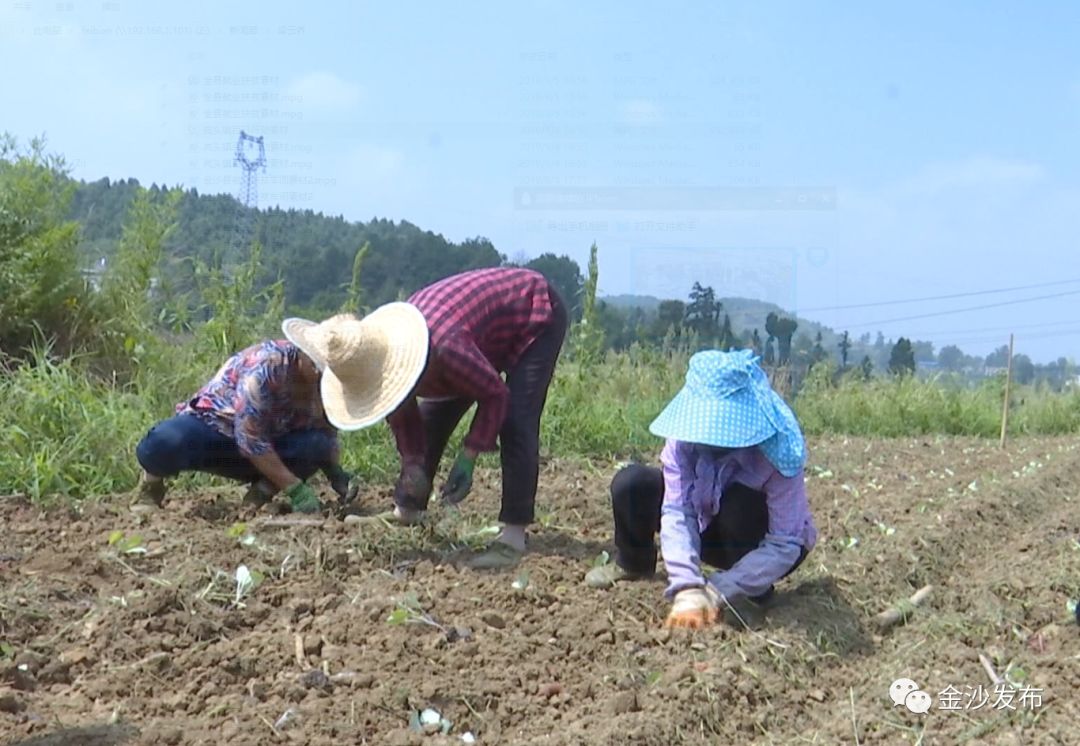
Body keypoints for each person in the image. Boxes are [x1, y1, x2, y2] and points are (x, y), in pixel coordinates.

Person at [352, 267, 567, 570]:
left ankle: (513, 537)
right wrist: (412, 463)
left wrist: (469, 455)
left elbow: (495, 395)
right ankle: (408, 509)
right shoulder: (388, 355)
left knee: (516, 421)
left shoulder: (446, 348)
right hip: (479, 335)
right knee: (431, 418)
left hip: (533, 312)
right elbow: (402, 411)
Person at [584, 349, 817, 629]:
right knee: (632, 484)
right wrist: (688, 586)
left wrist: (717, 590)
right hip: (708, 527)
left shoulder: (778, 453)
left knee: (738, 505)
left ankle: (753, 592)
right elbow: (677, 511)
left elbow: (784, 544)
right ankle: (633, 562)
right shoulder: (684, 441)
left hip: (759, 541)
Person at [134, 305, 426, 515]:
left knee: (317, 445)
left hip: (268, 446)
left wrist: (336, 472)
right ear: (307, 359)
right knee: (166, 441)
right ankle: (151, 484)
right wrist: (295, 488)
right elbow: (250, 439)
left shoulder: (326, 387)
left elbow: (326, 431)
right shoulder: (268, 367)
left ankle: (261, 493)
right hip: (215, 431)